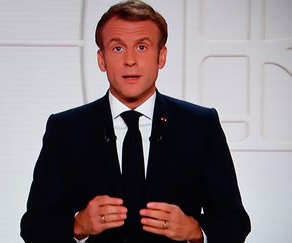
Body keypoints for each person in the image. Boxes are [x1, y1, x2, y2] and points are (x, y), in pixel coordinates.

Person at [20, 1, 251, 242]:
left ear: (161, 56)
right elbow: (33, 226)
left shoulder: (201, 126)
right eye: (118, 48)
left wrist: (195, 230)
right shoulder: (66, 129)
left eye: (142, 47)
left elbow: (235, 222)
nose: (130, 60)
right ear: (102, 59)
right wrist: (77, 224)